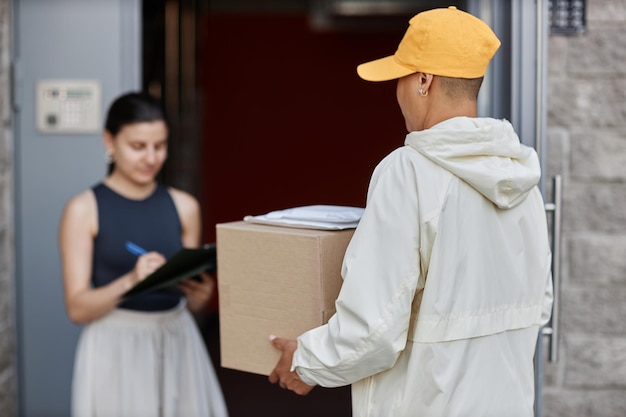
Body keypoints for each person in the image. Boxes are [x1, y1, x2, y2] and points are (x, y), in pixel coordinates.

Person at [268, 6, 554, 417]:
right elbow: (538, 304)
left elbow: (373, 330)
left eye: (401, 76)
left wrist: (305, 362)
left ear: (424, 80)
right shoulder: (518, 172)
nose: (397, 90)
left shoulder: (409, 171)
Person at [59, 91, 229, 417]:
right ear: (110, 142)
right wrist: (132, 281)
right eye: (138, 146)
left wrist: (200, 296)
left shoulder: (184, 207)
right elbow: (77, 309)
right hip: (114, 346)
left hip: (178, 340)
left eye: (160, 146)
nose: (151, 158)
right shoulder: (83, 210)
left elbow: (192, 302)